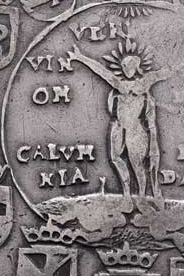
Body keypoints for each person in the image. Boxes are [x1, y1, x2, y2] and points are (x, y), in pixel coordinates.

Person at [67, 44, 171, 199]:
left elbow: (163, 73)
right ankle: (127, 194)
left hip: (135, 129)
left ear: (136, 67)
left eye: (130, 66)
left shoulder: (144, 83)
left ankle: (142, 196)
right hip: (119, 128)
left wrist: (172, 65)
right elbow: (101, 71)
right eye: (125, 66)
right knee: (116, 159)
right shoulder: (119, 84)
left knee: (137, 164)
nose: (127, 69)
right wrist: (80, 57)